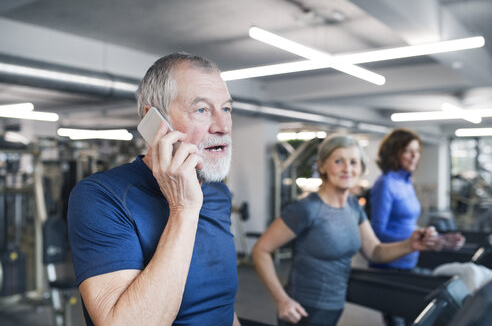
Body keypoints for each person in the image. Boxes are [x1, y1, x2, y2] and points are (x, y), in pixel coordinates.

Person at [68, 52, 240, 325]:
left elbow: (221, 306)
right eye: (202, 109)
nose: (223, 126)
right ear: (156, 121)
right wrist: (183, 209)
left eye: (227, 109)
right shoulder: (101, 196)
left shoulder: (218, 193)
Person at [252, 134, 441, 326]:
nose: (347, 169)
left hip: (335, 307)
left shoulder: (353, 206)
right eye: (338, 161)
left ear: (361, 169)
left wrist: (410, 245)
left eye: (353, 162)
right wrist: (282, 300)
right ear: (323, 166)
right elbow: (261, 250)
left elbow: (375, 251)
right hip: (303, 311)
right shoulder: (307, 209)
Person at [369, 128, 464, 326]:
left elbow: (408, 224)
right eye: (408, 151)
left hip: (409, 262)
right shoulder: (385, 184)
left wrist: (436, 238)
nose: (415, 156)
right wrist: (414, 238)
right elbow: (376, 234)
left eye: (417, 150)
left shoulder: (406, 181)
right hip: (390, 266)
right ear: (394, 153)